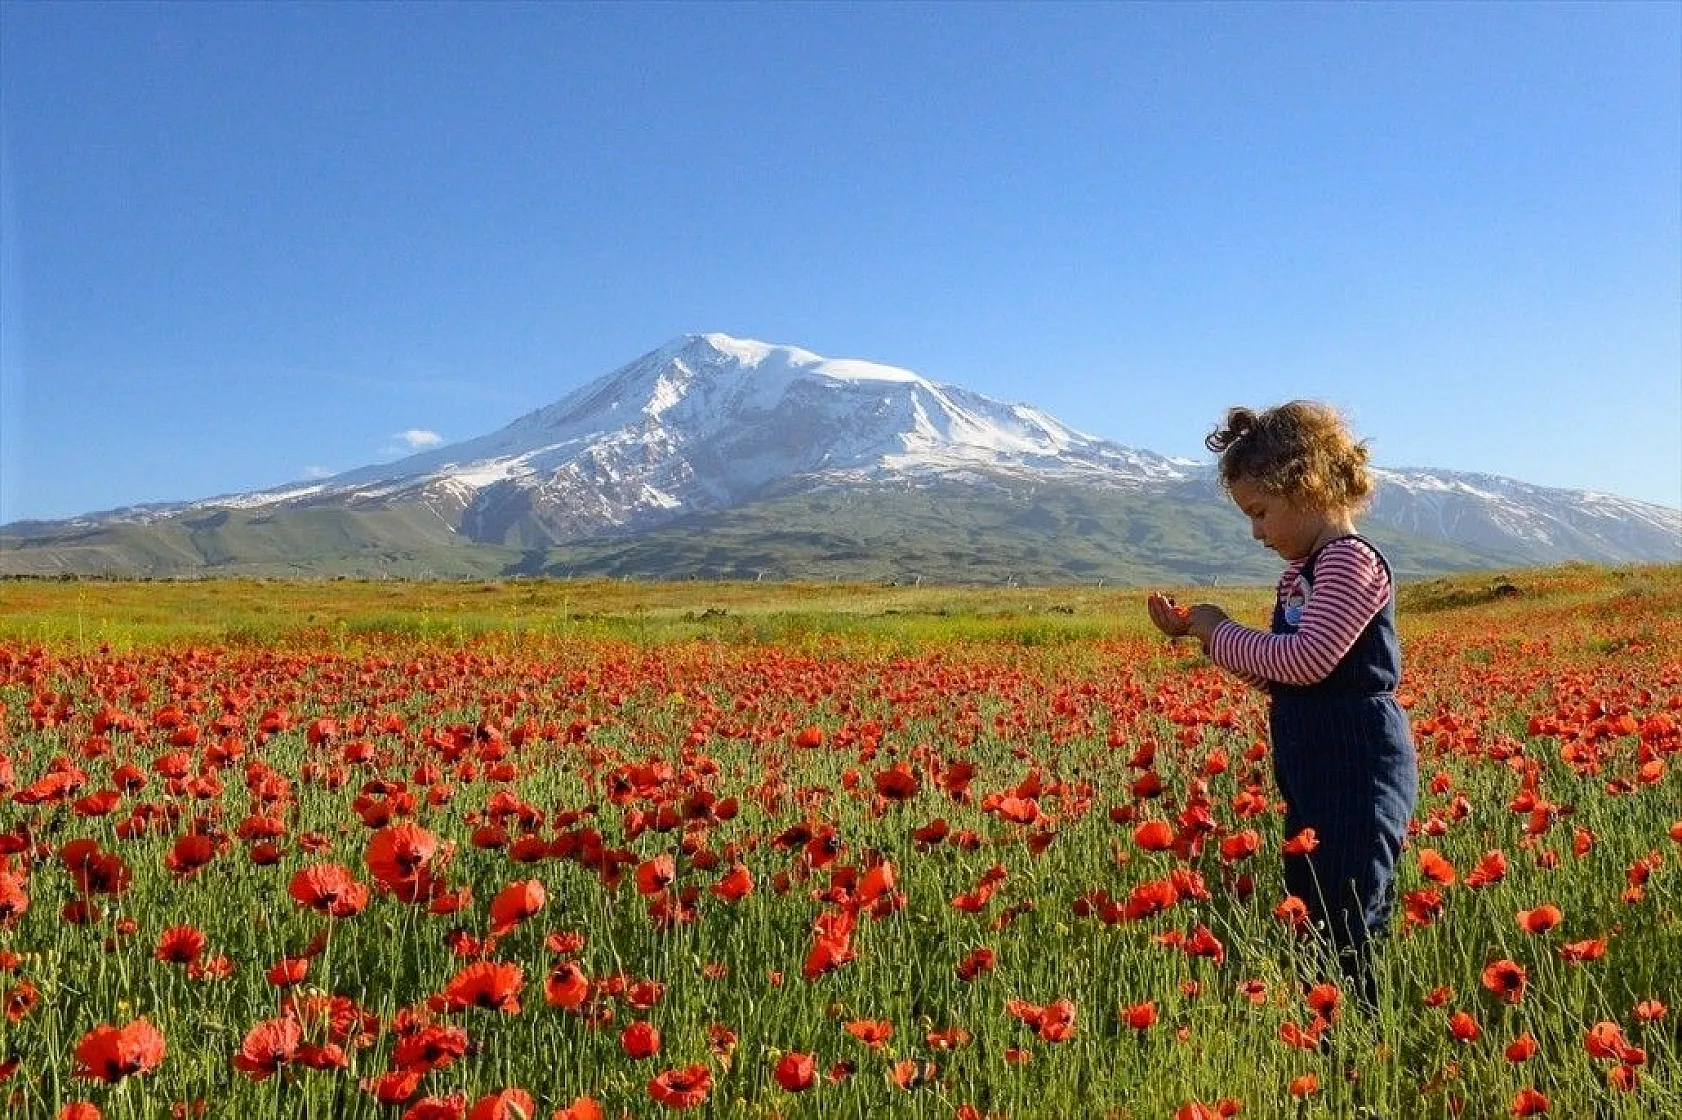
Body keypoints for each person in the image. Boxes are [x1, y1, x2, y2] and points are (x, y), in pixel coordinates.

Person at [1146, 400, 1418, 1010]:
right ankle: (1326, 1033)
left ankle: (1357, 1043)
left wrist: (1217, 632)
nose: (1257, 532)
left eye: (1261, 512)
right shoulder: (1303, 572)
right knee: (1315, 909)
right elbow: (1288, 677)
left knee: (1348, 916)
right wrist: (1206, 638)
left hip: (1358, 764)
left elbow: (1308, 660)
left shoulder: (1349, 560)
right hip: (1317, 763)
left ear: (1307, 484)